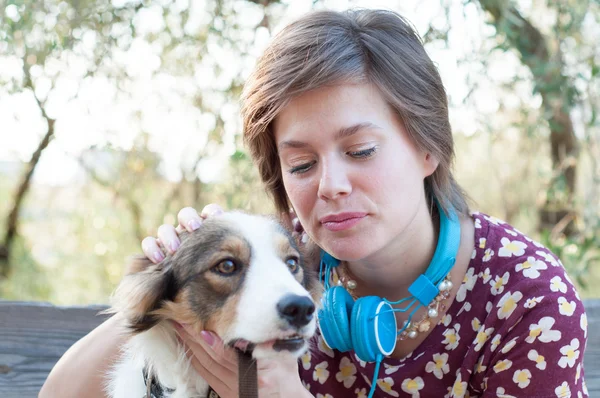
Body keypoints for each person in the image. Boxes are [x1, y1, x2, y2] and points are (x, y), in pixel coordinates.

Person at [40, 8, 588, 398]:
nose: (330, 186)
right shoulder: (279, 264)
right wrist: (176, 277)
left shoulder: (529, 300)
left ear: (428, 149)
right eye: (301, 164)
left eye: (361, 150)